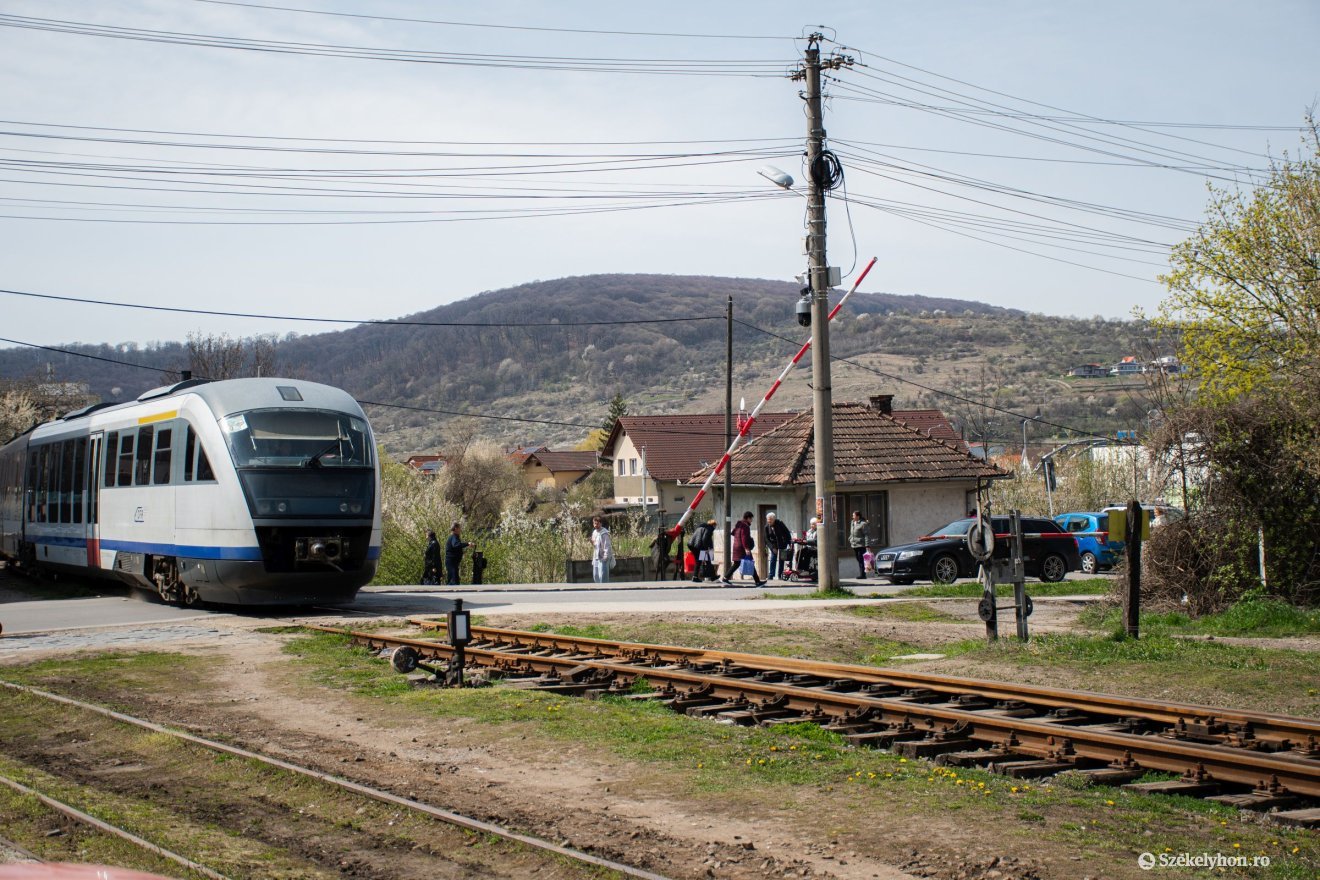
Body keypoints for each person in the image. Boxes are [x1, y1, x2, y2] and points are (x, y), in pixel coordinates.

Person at [721, 511, 766, 587]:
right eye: (751, 518)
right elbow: (744, 538)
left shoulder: (738, 524)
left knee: (736, 564)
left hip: (736, 547)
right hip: (742, 548)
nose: (751, 520)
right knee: (750, 563)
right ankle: (757, 582)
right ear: (748, 518)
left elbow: (733, 533)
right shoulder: (745, 526)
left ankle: (725, 578)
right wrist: (746, 548)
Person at [764, 512, 793, 581]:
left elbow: (787, 533)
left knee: (781, 559)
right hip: (773, 545)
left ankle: (780, 575)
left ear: (774, 519)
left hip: (782, 543)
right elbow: (766, 539)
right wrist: (772, 548)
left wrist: (790, 543)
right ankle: (771, 575)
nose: (769, 521)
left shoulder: (780, 523)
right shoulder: (766, 527)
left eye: (770, 519)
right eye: (768, 519)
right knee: (773, 559)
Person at [688, 518, 715, 582]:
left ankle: (695, 577)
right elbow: (704, 539)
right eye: (715, 525)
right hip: (699, 546)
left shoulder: (701, 527)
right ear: (713, 524)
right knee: (706, 560)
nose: (715, 527)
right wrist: (706, 549)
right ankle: (712, 577)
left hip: (692, 545)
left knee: (699, 561)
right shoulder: (709, 528)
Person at [591, 516, 613, 583]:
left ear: (601, 524)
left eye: (597, 524)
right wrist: (592, 542)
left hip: (603, 557)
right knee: (596, 575)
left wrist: (605, 557)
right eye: (595, 523)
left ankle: (605, 589)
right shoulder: (594, 532)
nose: (596, 525)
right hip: (596, 556)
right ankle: (598, 589)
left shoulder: (604, 533)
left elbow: (607, 546)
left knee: (603, 576)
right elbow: (595, 545)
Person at [849, 510, 870, 579]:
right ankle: (863, 574)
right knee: (858, 559)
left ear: (858, 516)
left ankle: (863, 575)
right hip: (854, 544)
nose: (852, 517)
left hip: (861, 545)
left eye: (853, 515)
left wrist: (867, 545)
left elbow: (866, 535)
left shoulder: (863, 524)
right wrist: (850, 539)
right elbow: (852, 533)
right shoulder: (852, 522)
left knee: (861, 559)